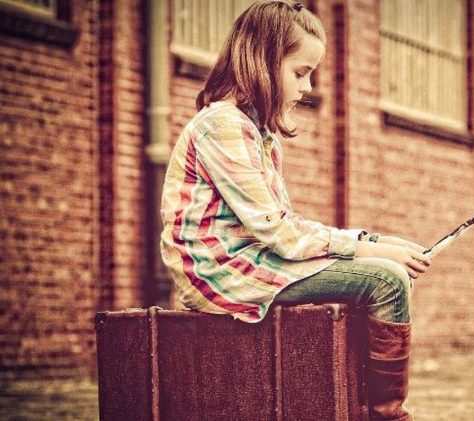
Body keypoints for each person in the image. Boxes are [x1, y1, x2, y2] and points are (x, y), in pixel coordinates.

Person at [160, 1, 431, 420]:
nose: (307, 87)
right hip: (223, 274)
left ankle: (355, 406)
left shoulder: (258, 133)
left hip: (255, 262)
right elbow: (280, 233)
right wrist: (370, 250)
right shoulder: (222, 126)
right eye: (300, 72)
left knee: (390, 270)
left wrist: (372, 241)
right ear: (262, 62)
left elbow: (283, 228)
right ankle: (386, 415)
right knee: (386, 280)